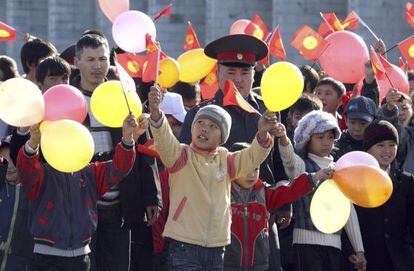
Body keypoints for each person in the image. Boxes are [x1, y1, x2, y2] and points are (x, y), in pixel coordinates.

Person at [148, 85, 276, 270]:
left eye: (213, 126)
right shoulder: (180, 155)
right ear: (192, 128)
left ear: (222, 136)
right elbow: (164, 140)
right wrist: (156, 113)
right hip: (183, 244)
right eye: (200, 123)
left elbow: (251, 157)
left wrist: (262, 133)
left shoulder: (226, 159)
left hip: (217, 246)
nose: (205, 129)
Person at [72, 33, 160, 271]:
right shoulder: (68, 99)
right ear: (76, 62)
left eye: (102, 59)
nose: (97, 66)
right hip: (79, 202)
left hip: (120, 202)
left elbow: (145, 147)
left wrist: (152, 195)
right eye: (90, 59)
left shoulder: (123, 97)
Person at [16, 114, 140, 271]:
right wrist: (33, 142)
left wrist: (128, 138)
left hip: (82, 257)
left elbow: (119, 168)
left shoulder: (90, 172)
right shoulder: (42, 173)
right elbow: (25, 169)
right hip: (45, 258)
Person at [277, 110, 366, 271]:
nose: (326, 142)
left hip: (334, 245)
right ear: (307, 139)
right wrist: (283, 138)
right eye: (320, 137)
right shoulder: (302, 165)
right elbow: (289, 160)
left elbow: (348, 212)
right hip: (305, 243)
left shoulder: (340, 169)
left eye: (330, 137)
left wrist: (359, 249)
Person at [224, 142, 333, 271]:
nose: (252, 174)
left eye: (256, 169)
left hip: (259, 266)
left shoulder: (264, 193)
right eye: (246, 168)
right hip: (226, 265)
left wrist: (315, 177)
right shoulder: (221, 194)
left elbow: (290, 191)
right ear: (232, 167)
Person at [357, 120, 414, 271]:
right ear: (367, 149)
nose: (387, 151)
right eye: (380, 145)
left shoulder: (406, 181)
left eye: (392, 145)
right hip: (368, 259)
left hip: (401, 260)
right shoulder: (356, 181)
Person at [0, 138, 34, 270]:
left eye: (14, 158)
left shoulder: (34, 192)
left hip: (20, 264)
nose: (9, 165)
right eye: (3, 160)